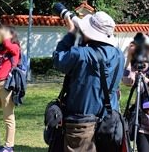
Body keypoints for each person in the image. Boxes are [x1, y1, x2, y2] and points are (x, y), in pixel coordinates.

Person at [53, 11, 125, 152]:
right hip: (110, 123)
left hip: (81, 124)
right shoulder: (119, 55)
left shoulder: (81, 54)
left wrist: (72, 33)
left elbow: (58, 59)